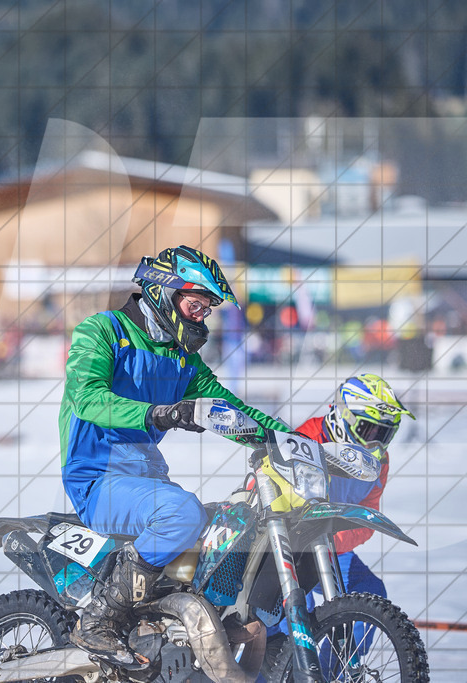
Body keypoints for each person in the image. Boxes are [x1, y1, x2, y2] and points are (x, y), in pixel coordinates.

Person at [60, 245, 293, 666]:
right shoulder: (102, 331)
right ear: (163, 293)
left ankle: (175, 633)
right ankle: (100, 618)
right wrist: (160, 412)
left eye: (207, 308)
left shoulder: (182, 359)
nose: (201, 315)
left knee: (230, 526)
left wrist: (291, 442)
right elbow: (87, 398)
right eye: (195, 303)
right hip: (95, 478)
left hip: (146, 482)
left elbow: (230, 412)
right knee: (183, 514)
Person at [295, 373, 414, 602]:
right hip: (286, 549)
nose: (375, 444)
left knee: (370, 592)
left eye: (384, 435)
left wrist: (331, 540)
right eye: (369, 431)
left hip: (330, 549)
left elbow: (367, 518)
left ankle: (342, 640)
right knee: (295, 609)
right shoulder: (306, 440)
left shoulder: (379, 463)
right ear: (344, 418)